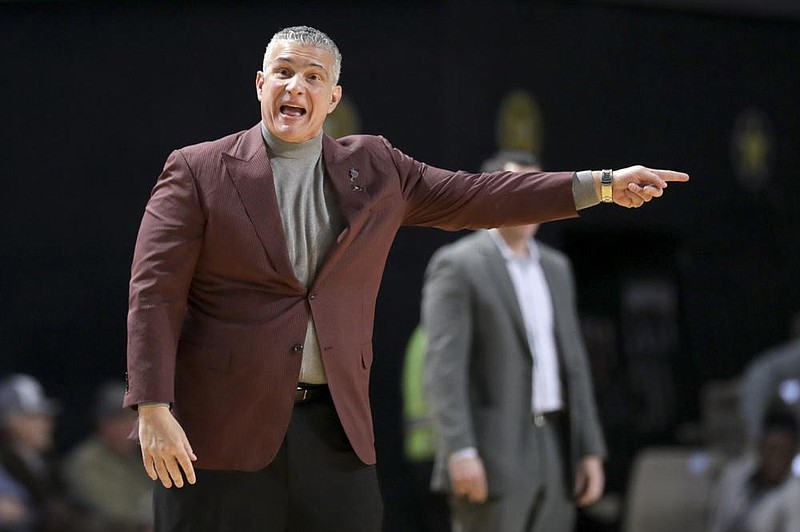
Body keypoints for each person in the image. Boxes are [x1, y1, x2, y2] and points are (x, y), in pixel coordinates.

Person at [124, 25, 688, 532]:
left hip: (333, 432)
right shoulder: (198, 170)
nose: (296, 86)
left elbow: (475, 194)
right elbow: (154, 295)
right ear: (260, 83)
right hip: (222, 430)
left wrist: (601, 184)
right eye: (284, 72)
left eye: (312, 77)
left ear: (333, 98)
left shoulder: (375, 168)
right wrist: (153, 406)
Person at [421, 150, 607, 532]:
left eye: (539, 190)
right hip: (493, 450)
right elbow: (443, 370)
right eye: (519, 190)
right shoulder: (458, 266)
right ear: (492, 195)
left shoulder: (557, 267)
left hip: (555, 442)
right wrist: (459, 449)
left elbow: (573, 364)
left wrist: (590, 449)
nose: (532, 202)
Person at [62, 381, 152, 531]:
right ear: (105, 425)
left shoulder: (135, 458)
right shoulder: (87, 462)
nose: (135, 429)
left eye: (136, 421)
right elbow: (117, 514)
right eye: (125, 422)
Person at [708, 406, 800, 532]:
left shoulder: (795, 494)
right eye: (772, 450)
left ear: (792, 455)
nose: (776, 460)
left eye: (784, 453)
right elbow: (717, 525)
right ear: (760, 447)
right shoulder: (733, 477)